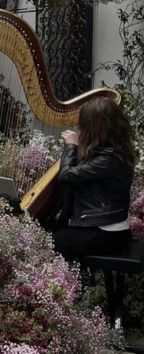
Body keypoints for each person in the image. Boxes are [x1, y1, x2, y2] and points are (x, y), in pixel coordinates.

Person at [53, 97, 134, 261]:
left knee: (43, 244)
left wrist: (71, 146)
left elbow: (66, 176)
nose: (78, 126)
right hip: (102, 227)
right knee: (50, 231)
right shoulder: (109, 151)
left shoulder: (109, 158)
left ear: (93, 127)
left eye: (82, 122)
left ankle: (65, 284)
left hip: (108, 233)